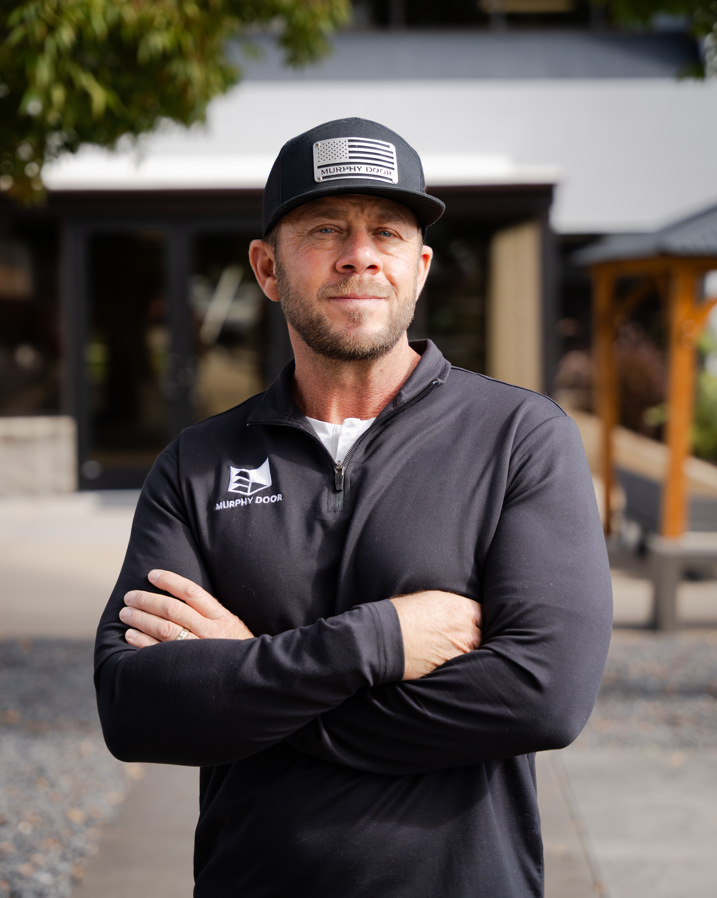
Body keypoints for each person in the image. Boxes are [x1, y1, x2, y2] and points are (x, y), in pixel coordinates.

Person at [95, 117, 612, 898]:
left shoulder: (518, 438)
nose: (360, 253)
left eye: (388, 232)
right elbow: (135, 707)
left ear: (420, 266)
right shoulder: (199, 464)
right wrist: (377, 639)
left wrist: (247, 673)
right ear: (267, 268)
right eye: (325, 228)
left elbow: (542, 696)